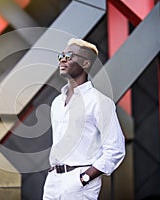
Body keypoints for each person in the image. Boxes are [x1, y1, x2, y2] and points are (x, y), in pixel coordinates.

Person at [43, 38, 126, 199]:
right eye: (61, 55)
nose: (63, 59)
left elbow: (115, 150)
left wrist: (84, 178)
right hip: (53, 181)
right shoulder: (57, 103)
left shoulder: (100, 102)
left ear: (86, 64)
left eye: (69, 55)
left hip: (79, 183)